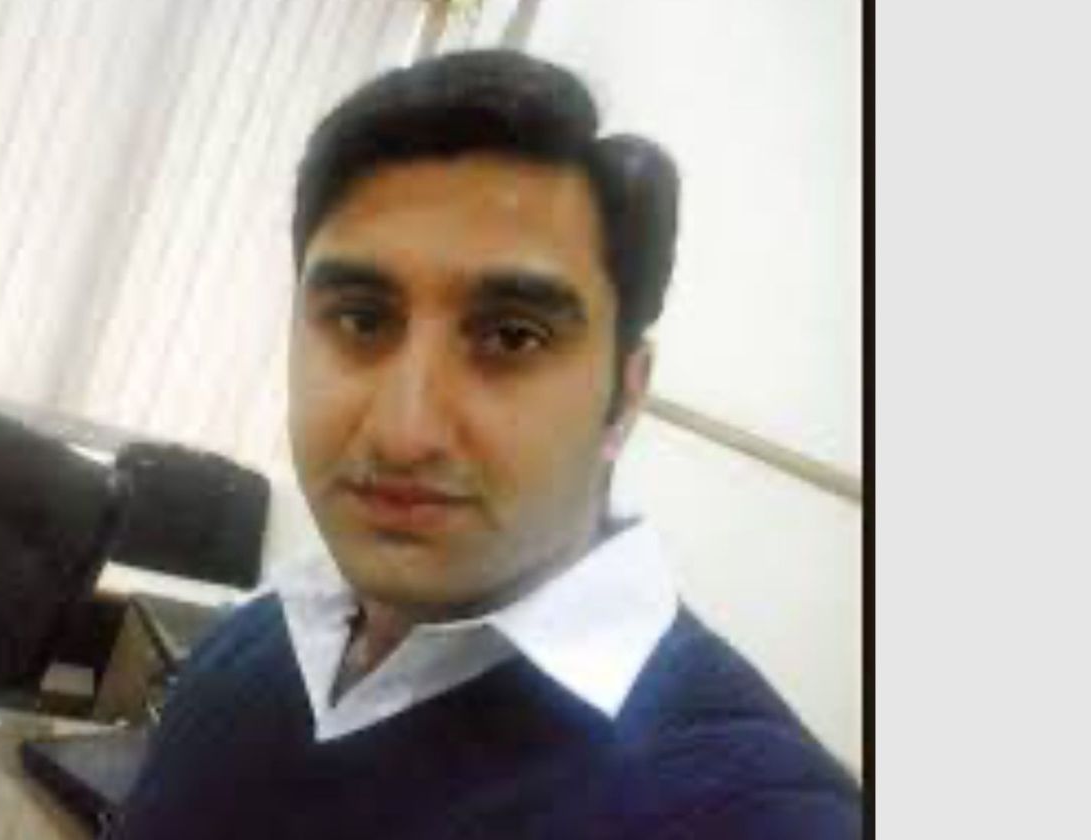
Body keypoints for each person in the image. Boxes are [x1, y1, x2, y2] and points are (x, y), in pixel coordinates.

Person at [110, 50, 859, 839]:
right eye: (361, 319)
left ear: (626, 395)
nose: (404, 432)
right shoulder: (250, 643)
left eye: (512, 336)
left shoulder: (751, 810)